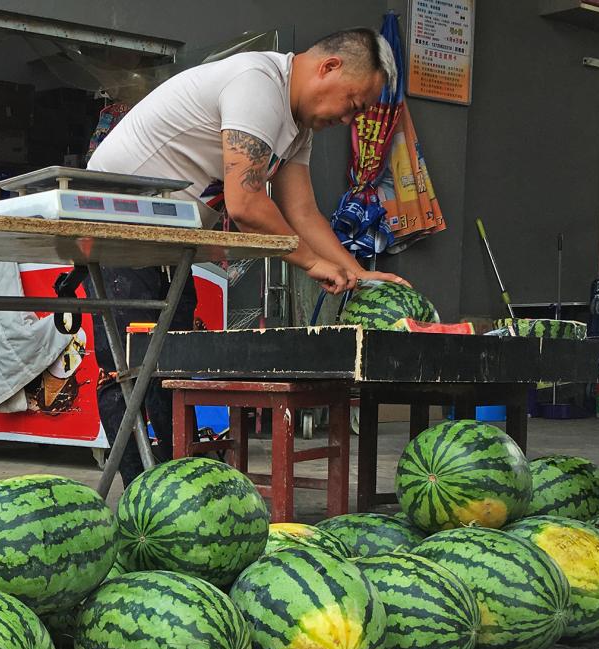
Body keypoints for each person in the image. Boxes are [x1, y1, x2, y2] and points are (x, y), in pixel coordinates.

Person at [86, 28, 413, 488]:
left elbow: (302, 212)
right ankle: (146, 494)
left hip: (166, 244)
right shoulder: (258, 83)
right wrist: (311, 263)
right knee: (131, 370)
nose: (346, 119)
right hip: (117, 231)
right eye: (352, 104)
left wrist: (356, 271)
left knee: (169, 368)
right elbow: (246, 204)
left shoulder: (296, 127)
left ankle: (172, 490)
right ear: (329, 67)